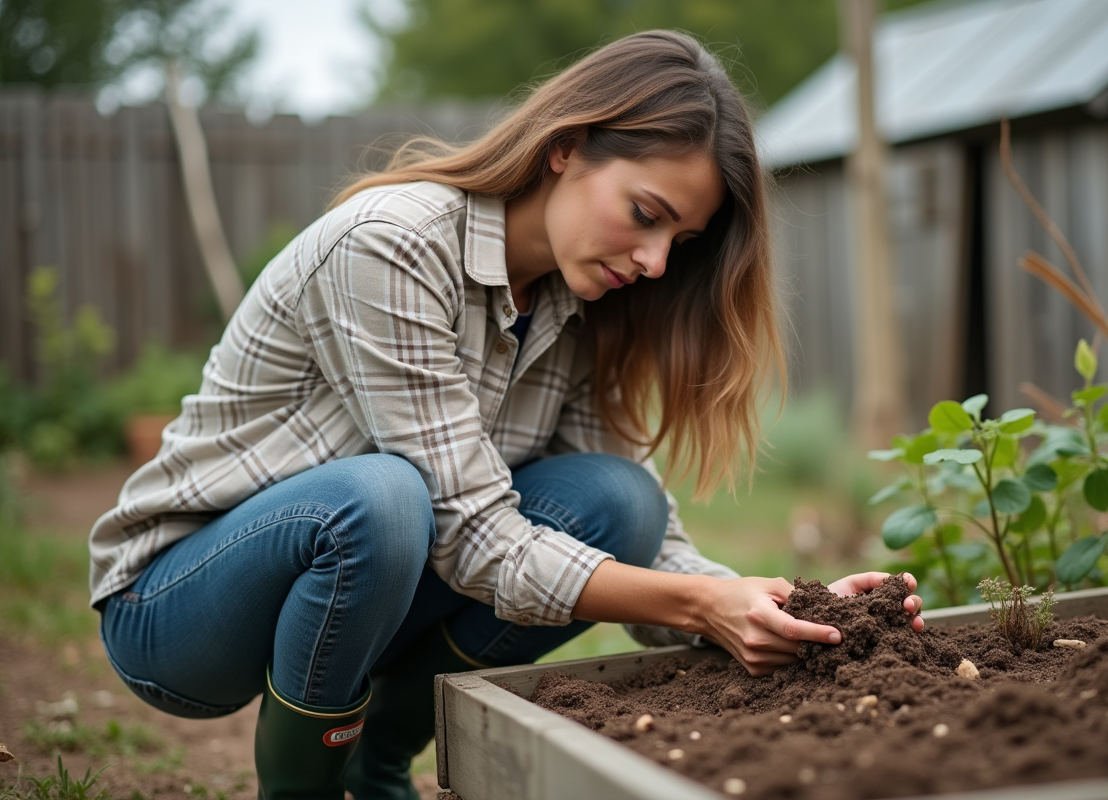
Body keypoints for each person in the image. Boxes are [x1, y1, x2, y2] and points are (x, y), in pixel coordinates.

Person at [88, 30, 923, 800]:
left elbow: (649, 541)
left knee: (618, 501)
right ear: (566, 147)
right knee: (381, 500)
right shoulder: (393, 244)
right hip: (178, 611)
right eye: (646, 215)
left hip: (356, 594)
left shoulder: (583, 300)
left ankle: (380, 762)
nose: (657, 261)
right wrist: (700, 607)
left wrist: (786, 609)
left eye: (682, 241)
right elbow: (476, 536)